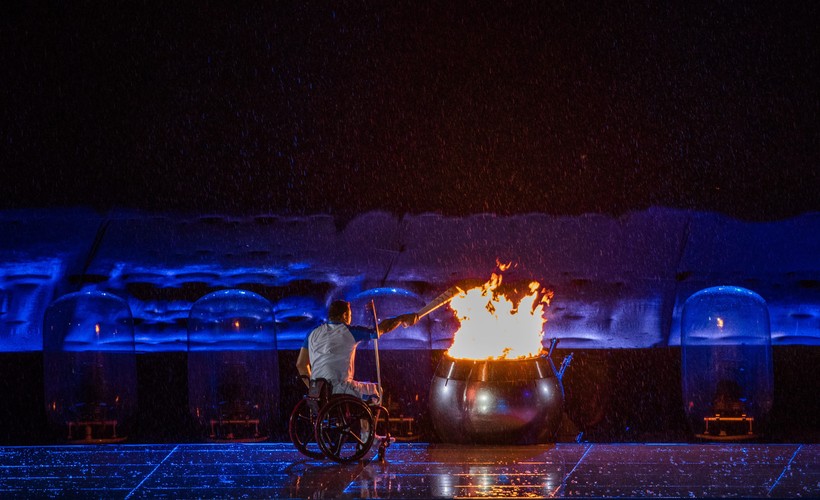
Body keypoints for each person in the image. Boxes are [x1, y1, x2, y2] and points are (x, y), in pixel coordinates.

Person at [295, 300, 418, 401]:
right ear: (344, 315)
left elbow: (301, 365)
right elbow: (380, 329)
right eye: (350, 315)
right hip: (340, 389)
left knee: (360, 386)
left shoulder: (312, 333)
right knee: (376, 391)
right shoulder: (348, 331)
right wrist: (402, 318)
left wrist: (315, 389)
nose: (350, 319)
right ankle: (366, 431)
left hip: (318, 392)